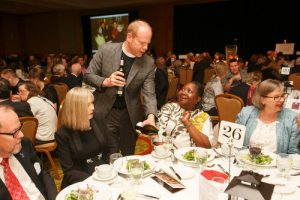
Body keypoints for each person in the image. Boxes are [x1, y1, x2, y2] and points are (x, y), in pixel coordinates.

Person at [84, 20, 157, 155]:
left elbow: (149, 94)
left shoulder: (148, 62)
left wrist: (151, 116)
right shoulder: (106, 50)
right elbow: (88, 75)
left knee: (128, 155)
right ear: (129, 37)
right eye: (142, 43)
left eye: (148, 43)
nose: (146, 47)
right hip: (106, 112)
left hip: (129, 116)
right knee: (109, 154)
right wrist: (106, 81)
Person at [55, 87, 117, 189]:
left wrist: (108, 167)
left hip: (104, 171)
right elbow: (69, 170)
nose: (93, 108)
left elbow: (112, 146)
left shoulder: (97, 118)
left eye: (92, 103)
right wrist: (93, 181)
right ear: (76, 110)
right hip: (82, 179)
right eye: (88, 105)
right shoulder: (62, 134)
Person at [0, 105, 57, 200]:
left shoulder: (24, 145)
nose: (21, 135)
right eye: (14, 132)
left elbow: (43, 174)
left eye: (19, 128)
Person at [236, 79, 300, 154]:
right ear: (262, 100)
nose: (282, 100)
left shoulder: (292, 118)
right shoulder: (246, 113)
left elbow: (294, 152)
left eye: (283, 95)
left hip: (278, 165)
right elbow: (235, 144)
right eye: (276, 97)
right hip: (245, 162)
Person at [157, 81, 214, 148]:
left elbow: (206, 145)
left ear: (198, 99)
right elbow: (158, 134)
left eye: (189, 91)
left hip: (193, 156)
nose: (183, 92)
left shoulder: (204, 117)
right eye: (182, 89)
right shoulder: (169, 108)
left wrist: (187, 122)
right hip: (167, 153)